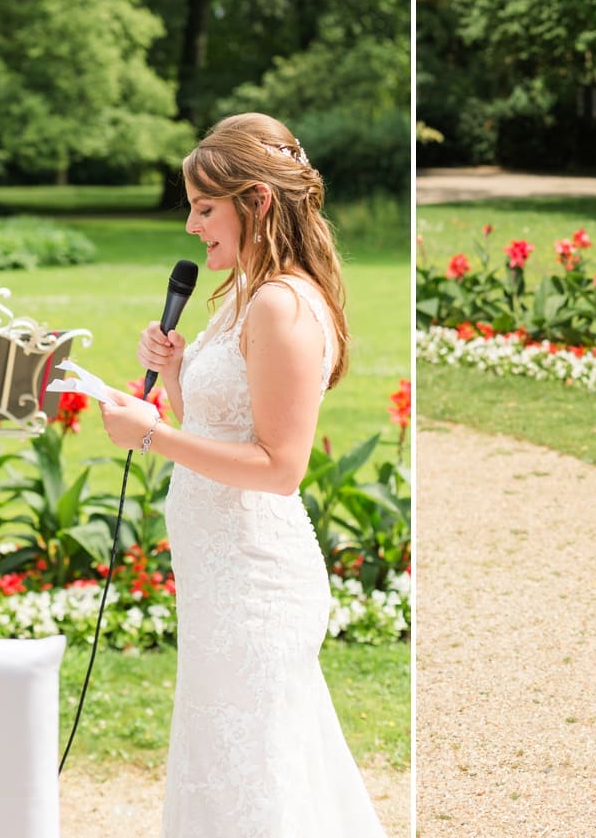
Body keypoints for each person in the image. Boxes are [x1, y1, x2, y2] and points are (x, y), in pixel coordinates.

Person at [99, 113, 386, 836]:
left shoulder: (282, 304)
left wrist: (154, 434)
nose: (192, 227)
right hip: (217, 579)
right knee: (225, 768)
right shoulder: (242, 295)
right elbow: (221, 429)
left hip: (256, 584)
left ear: (256, 200)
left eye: (204, 208)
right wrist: (175, 374)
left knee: (259, 773)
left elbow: (279, 466)